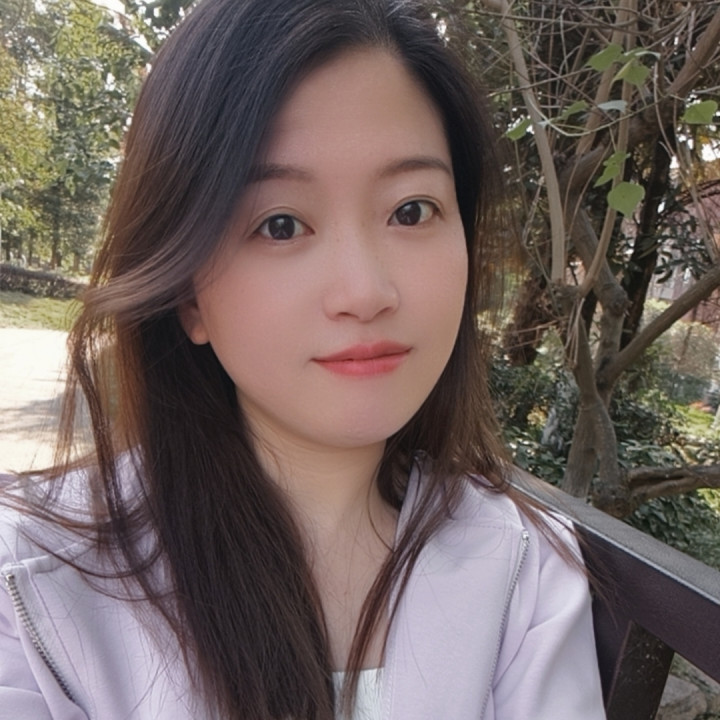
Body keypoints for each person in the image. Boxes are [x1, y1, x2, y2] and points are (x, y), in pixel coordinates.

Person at [0, 0, 606, 718]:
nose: (365, 292)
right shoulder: (32, 575)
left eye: (411, 210)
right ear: (187, 295)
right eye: (281, 224)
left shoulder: (526, 572)